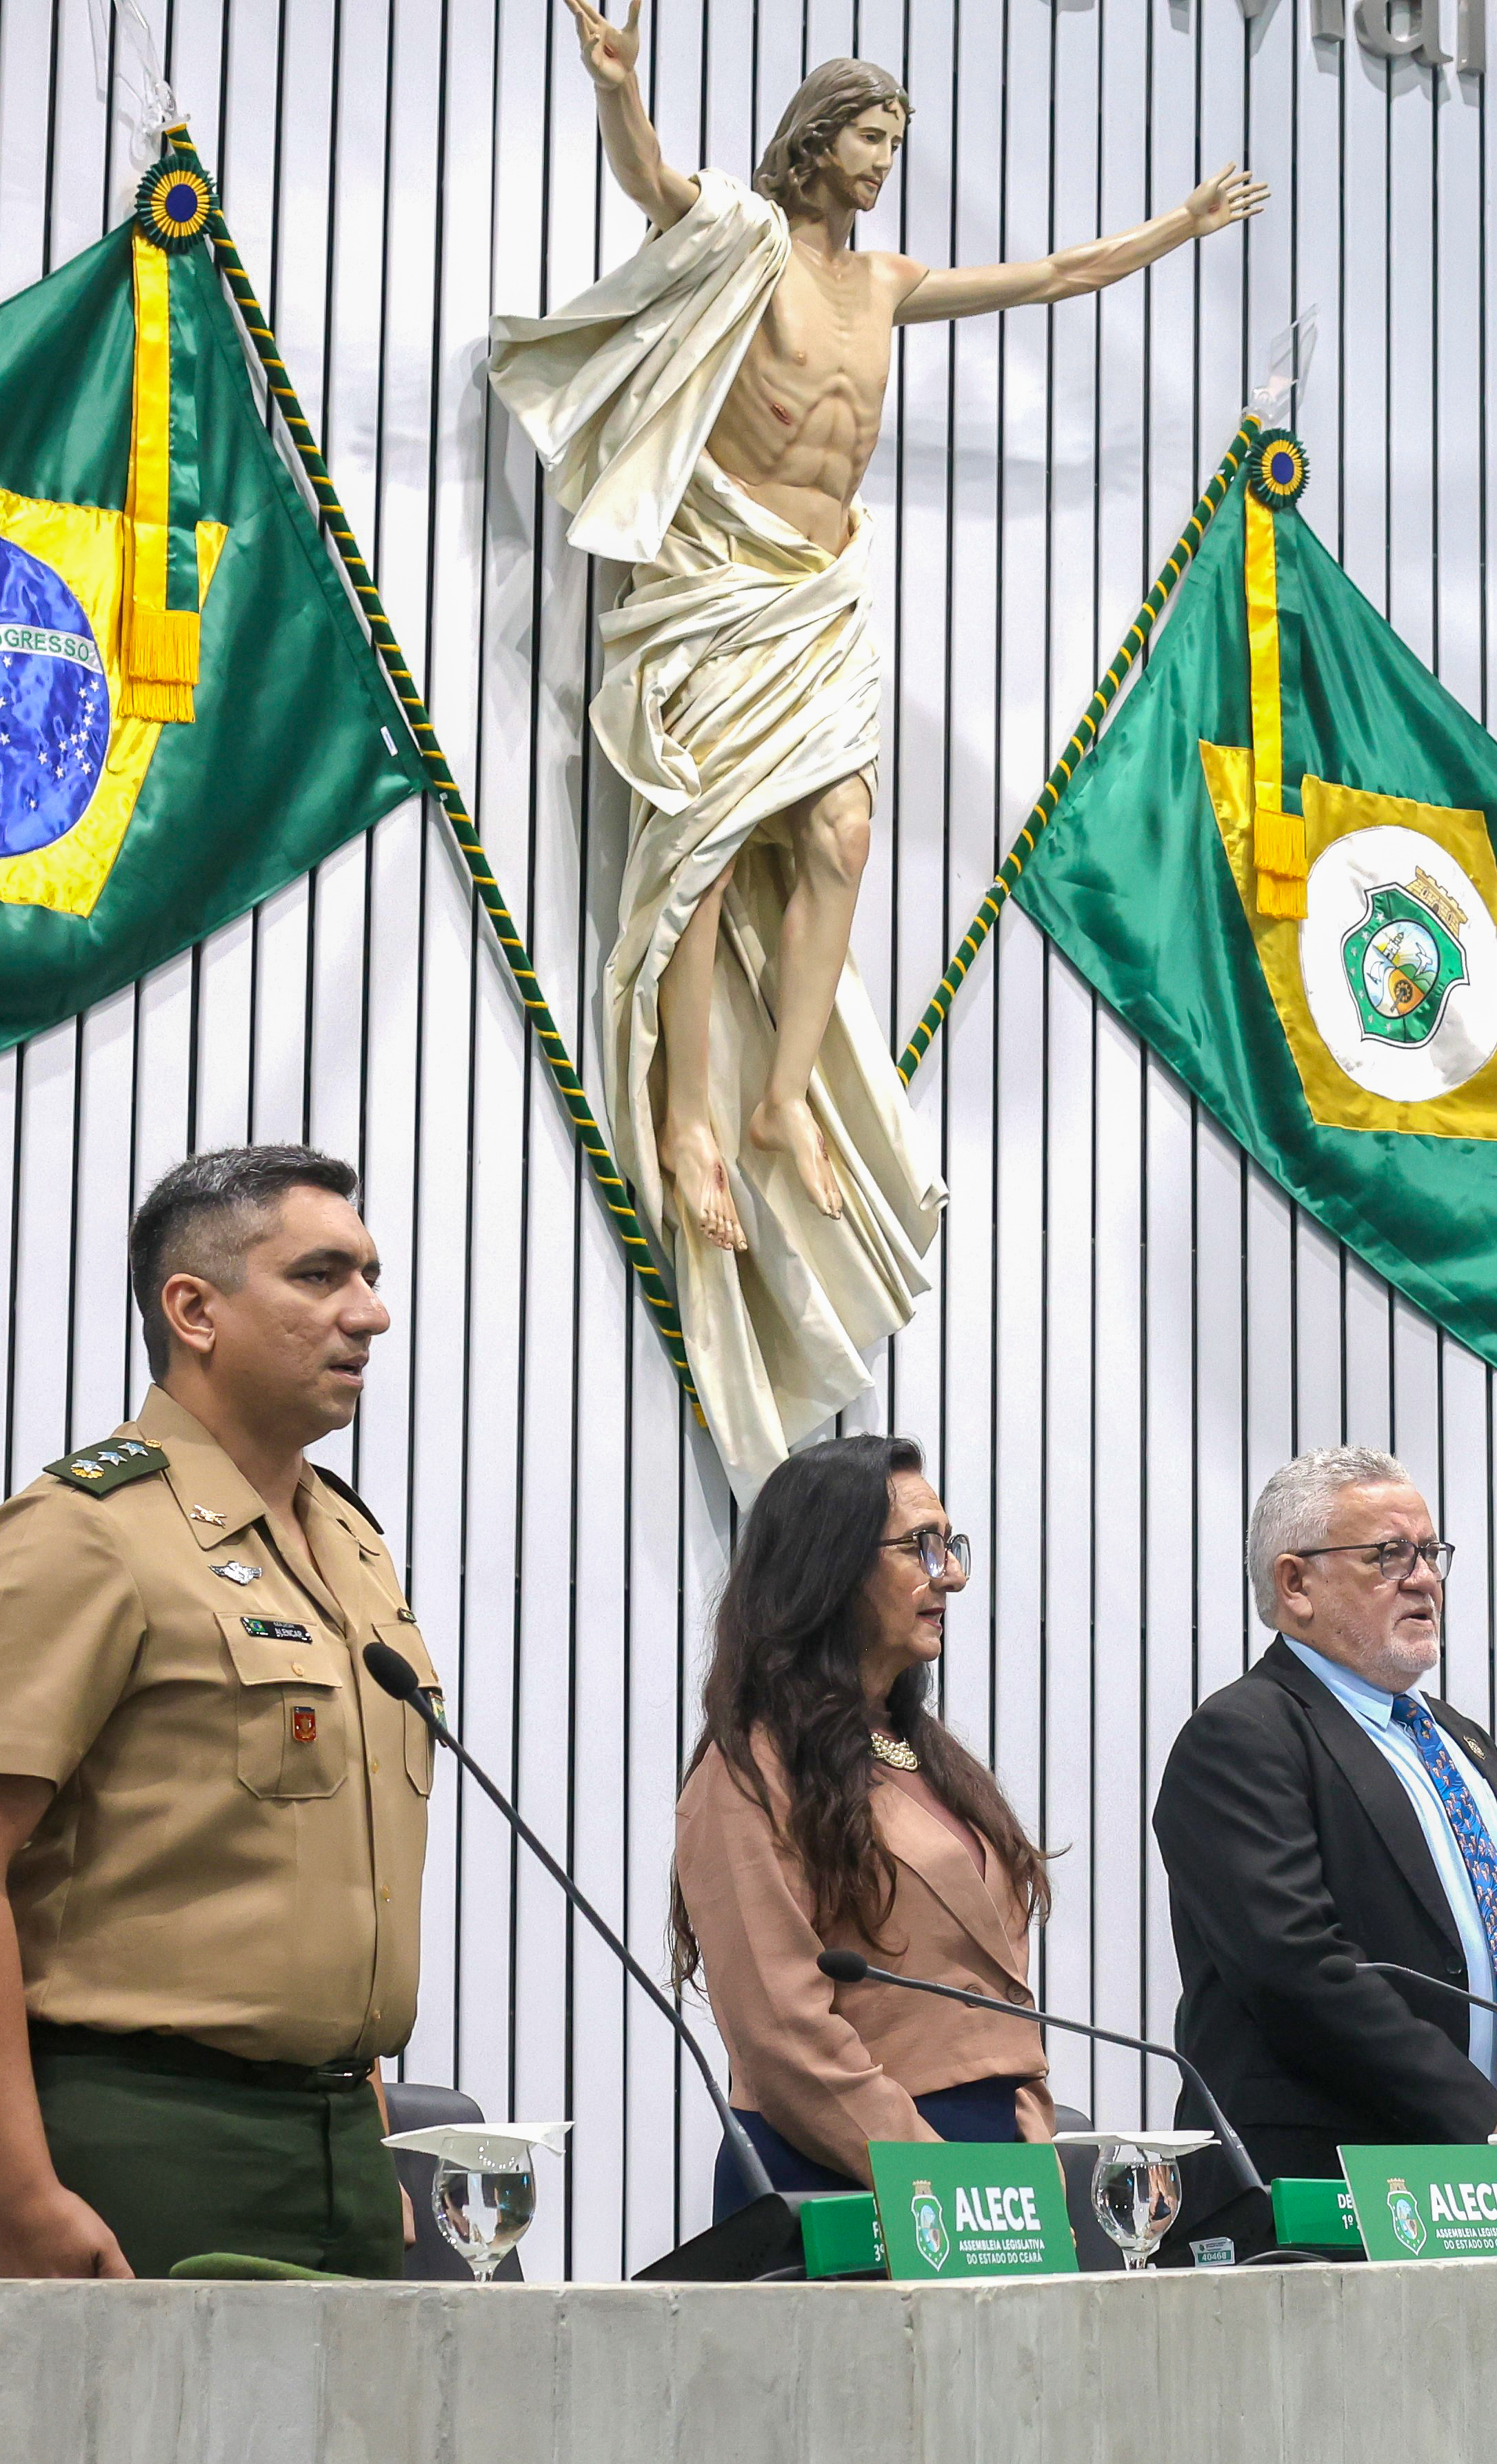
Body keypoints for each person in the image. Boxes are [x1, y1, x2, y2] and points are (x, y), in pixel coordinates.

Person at [489, 11, 1265, 1489]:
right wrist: (617, 86)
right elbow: (649, 184)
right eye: (869, 138)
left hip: (823, 586)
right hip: (721, 574)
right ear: (813, 141)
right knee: (708, 842)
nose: (886, 164)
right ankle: (686, 1114)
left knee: (840, 832)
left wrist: (1177, 224)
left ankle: (780, 1094)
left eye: (897, 144)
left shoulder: (890, 282)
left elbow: (1047, 277)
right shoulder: (739, 237)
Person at [0, 1147, 436, 2277]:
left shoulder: (354, 1544)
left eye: (370, 1273)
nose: (370, 1312)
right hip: (136, 2139)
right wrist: (20, 2193)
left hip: (336, 2138)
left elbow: (327, 1878)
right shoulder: (85, 1532)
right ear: (195, 1308)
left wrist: (362, 2130)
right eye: (322, 1274)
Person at [1152, 1447, 1497, 2181]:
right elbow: (1298, 1972)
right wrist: (1479, 2118)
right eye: (1390, 1555)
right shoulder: (1243, 1736)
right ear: (1296, 1583)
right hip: (1330, 2183)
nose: (1425, 1578)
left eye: (1430, 1553)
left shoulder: (1459, 1740)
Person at [670, 1434, 1054, 2212]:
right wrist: (935, 2183)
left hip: (989, 2174)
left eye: (949, 1545)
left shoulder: (932, 1757)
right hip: (843, 2172)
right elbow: (782, 2035)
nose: (950, 1574)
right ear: (830, 1565)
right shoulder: (749, 1770)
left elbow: (1003, 2003)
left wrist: (1031, 2148)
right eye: (920, 1547)